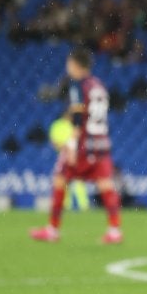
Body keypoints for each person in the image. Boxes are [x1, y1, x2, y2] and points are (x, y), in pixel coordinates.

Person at [30, 46, 123, 243]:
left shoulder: (77, 85)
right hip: (101, 143)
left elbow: (78, 116)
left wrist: (72, 144)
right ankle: (115, 230)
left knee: (60, 178)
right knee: (105, 184)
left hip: (83, 143)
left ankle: (52, 229)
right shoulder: (99, 85)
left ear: (74, 64)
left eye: (68, 64)